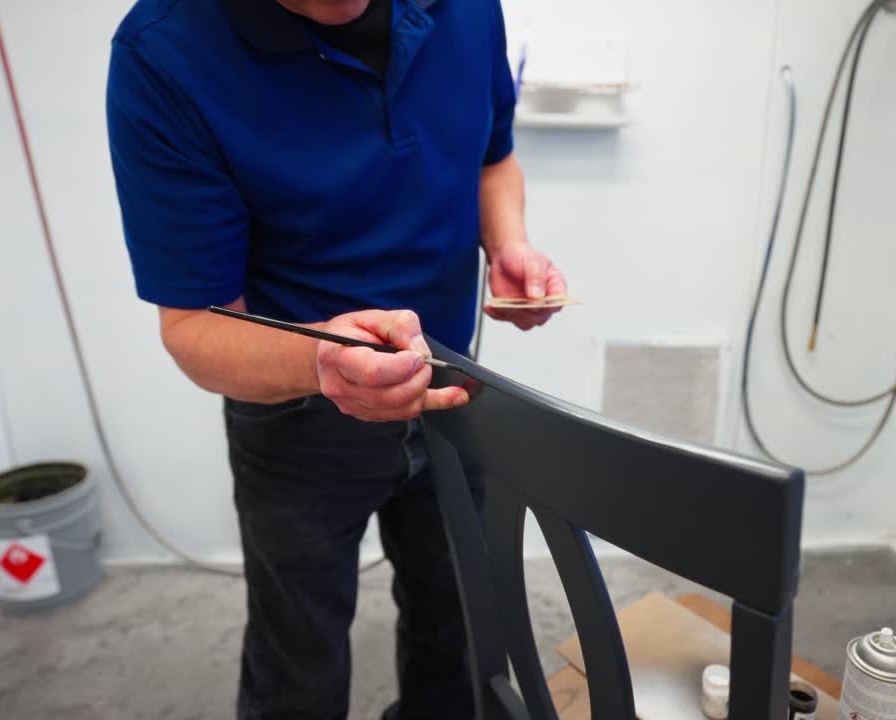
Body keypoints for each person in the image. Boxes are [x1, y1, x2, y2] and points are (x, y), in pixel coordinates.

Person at [105, 0, 565, 717]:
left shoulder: (470, 10)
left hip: (452, 384)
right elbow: (195, 327)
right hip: (293, 410)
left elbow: (493, 159)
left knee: (465, 636)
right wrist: (323, 363)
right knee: (299, 663)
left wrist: (508, 244)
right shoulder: (163, 52)